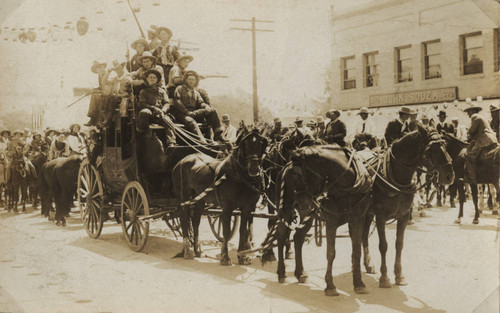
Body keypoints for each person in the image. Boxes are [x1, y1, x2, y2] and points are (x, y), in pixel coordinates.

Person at [171, 71, 223, 143]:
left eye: (193, 80)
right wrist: (187, 112)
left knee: (212, 111)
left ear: (196, 81)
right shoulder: (179, 88)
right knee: (191, 121)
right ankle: (201, 140)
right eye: (189, 79)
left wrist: (206, 106)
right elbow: (177, 102)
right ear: (186, 80)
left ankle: (218, 136)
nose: (191, 81)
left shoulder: (196, 92)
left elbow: (201, 102)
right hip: (181, 114)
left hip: (193, 113)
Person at [137, 68, 176, 148]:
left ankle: (171, 143)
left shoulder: (162, 91)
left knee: (168, 122)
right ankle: (143, 134)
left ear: (157, 79)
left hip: (160, 114)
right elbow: (142, 104)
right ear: (147, 79)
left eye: (154, 77)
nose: (152, 79)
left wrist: (163, 111)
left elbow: (166, 103)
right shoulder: (143, 92)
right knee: (144, 112)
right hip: (149, 114)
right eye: (150, 77)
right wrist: (154, 108)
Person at [463, 104, 498, 183]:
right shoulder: (482, 117)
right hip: (492, 139)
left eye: (469, 111)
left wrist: (468, 135)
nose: (468, 113)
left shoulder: (474, 116)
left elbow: (472, 130)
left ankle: (472, 177)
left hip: (484, 140)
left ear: (473, 111)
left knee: (470, 155)